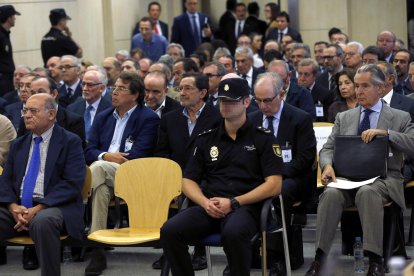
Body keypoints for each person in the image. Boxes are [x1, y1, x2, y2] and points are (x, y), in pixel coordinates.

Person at [160, 76, 283, 276]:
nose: (225, 106)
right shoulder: (207, 138)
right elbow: (187, 180)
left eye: (232, 101)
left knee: (234, 233)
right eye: (222, 101)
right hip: (210, 205)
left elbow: (274, 185)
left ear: (246, 102)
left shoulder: (264, 138)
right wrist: (203, 202)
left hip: (245, 206)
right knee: (170, 230)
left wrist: (234, 202)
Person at [305, 64, 414, 276]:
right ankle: (319, 258)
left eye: (365, 86)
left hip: (383, 179)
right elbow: (327, 148)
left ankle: (375, 260)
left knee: (368, 192)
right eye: (357, 86)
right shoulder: (344, 117)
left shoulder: (400, 117)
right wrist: (327, 166)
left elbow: (412, 144)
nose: (359, 91)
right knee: (330, 194)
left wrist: (387, 133)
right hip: (348, 179)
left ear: (380, 88)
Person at [0, 93, 86, 276]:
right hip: (18, 209)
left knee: (42, 221)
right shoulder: (18, 144)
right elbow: (5, 181)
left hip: (54, 206)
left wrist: (37, 208)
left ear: (52, 114)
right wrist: (13, 207)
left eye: (33, 111)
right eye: (25, 110)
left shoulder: (70, 142)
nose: (26, 115)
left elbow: (72, 183)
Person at [84, 71, 159, 276]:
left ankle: (79, 203)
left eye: (120, 88)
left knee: (96, 170)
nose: (114, 92)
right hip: (105, 173)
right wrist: (106, 155)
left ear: (134, 95)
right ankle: (98, 249)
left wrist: (104, 160)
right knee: (100, 189)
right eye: (113, 87)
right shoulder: (104, 116)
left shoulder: (148, 118)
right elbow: (89, 150)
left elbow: (139, 155)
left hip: (134, 174)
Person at [153, 72, 221, 270]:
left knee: (195, 193)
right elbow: (162, 154)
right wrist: (170, 182)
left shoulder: (217, 117)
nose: (182, 92)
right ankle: (171, 250)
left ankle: (199, 251)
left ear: (202, 92)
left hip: (207, 177)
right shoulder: (170, 118)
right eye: (180, 88)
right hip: (176, 176)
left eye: (188, 88)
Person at [249, 72, 316, 274]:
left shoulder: (299, 118)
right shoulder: (251, 120)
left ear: (282, 93)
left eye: (267, 100)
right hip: (260, 178)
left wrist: (276, 177)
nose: (262, 106)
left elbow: (305, 158)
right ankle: (241, 254)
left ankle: (277, 257)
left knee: (279, 193)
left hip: (292, 179)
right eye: (258, 100)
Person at [67, 69, 112, 140]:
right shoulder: (72, 108)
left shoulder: (111, 109)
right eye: (83, 84)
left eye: (90, 85)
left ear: (102, 88)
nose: (85, 88)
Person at [0, 5, 20, 95]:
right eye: (14, 16)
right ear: (9, 18)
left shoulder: (5, 34)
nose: (15, 19)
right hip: (3, 81)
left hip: (7, 80)